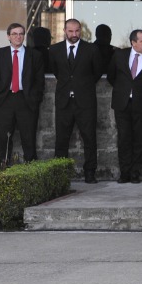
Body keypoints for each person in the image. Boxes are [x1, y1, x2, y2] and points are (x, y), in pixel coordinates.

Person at [47, 19, 104, 182]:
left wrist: (82, 85)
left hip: (85, 101)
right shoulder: (54, 50)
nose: (74, 34)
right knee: (61, 138)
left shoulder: (91, 49)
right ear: (65, 30)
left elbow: (97, 72)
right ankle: (60, 174)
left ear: (81, 31)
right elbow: (57, 71)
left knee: (89, 137)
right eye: (71, 31)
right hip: (64, 100)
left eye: (77, 31)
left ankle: (90, 172)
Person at [0, 23, 44, 166]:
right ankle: (4, 169)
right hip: (4, 100)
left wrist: (35, 98)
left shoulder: (35, 55)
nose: (18, 36)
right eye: (14, 34)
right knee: (4, 138)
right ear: (8, 36)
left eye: (21, 34)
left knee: (29, 137)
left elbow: (40, 81)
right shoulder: (0, 53)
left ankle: (31, 171)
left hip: (26, 100)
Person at [108, 30, 142, 183]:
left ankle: (135, 173)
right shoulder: (120, 55)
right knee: (124, 139)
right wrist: (124, 90)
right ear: (133, 42)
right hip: (122, 103)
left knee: (140, 139)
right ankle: (124, 173)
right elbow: (111, 76)